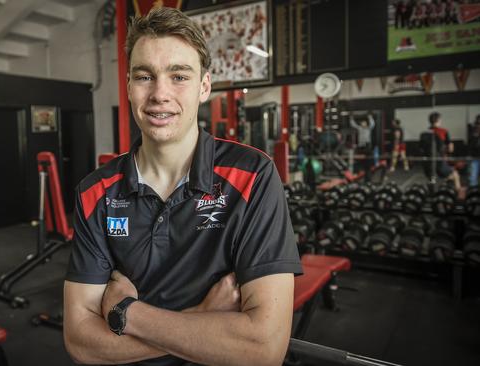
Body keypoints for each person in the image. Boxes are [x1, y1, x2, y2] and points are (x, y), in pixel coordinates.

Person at [63, 7, 302, 366]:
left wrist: (127, 313)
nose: (160, 94)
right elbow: (81, 341)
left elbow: (262, 348)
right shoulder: (95, 192)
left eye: (179, 76)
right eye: (145, 76)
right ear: (128, 86)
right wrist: (203, 314)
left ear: (204, 86)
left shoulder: (253, 176)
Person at [422, 112, 461, 190]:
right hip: (439, 162)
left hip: (428, 164)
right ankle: (459, 195)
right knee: (455, 174)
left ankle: (432, 195)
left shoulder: (424, 133)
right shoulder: (443, 131)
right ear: (439, 120)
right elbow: (450, 149)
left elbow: (421, 149)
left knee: (432, 180)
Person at [350, 113, 376, 181]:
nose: (362, 124)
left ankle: (367, 175)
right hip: (361, 146)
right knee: (360, 160)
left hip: (367, 146)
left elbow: (372, 124)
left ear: (366, 124)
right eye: (362, 123)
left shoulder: (368, 128)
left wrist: (370, 117)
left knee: (367, 161)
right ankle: (359, 173)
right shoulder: (359, 128)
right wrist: (351, 119)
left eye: (364, 123)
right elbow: (353, 125)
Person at [467, 114, 480, 187]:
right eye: (477, 123)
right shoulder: (473, 133)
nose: (478, 126)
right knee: (472, 179)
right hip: (474, 159)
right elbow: (470, 147)